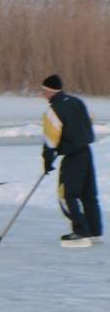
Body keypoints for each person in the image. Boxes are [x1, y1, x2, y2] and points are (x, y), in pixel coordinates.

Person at [41, 74, 102, 248]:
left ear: (49, 91)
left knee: (66, 195)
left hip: (73, 157)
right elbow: (89, 119)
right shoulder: (77, 102)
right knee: (88, 194)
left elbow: (51, 139)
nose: (42, 94)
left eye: (43, 90)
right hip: (86, 153)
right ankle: (94, 231)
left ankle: (81, 232)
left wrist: (47, 160)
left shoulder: (53, 110)